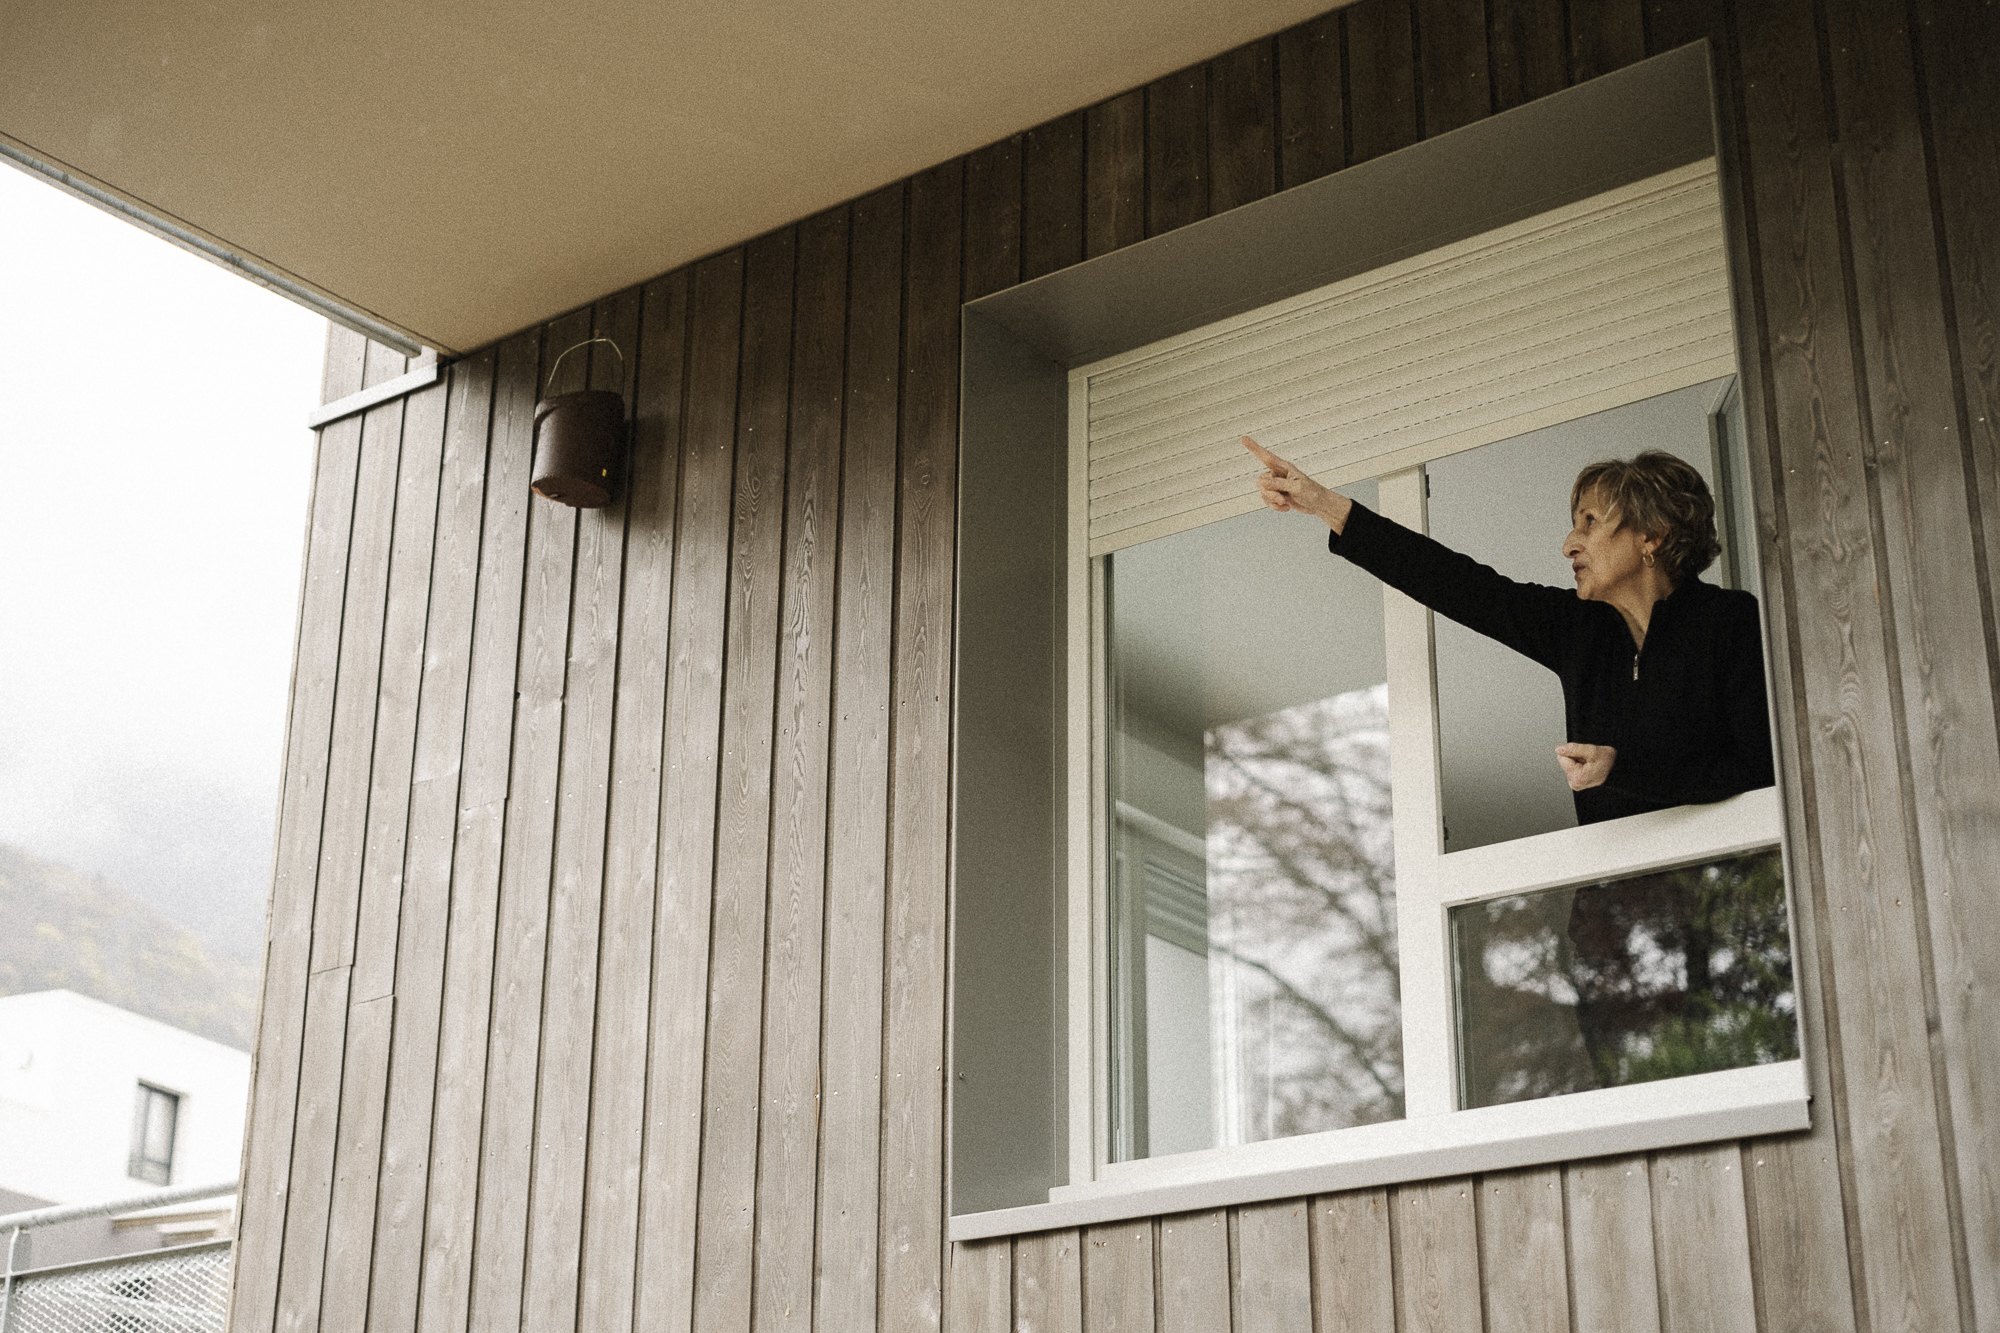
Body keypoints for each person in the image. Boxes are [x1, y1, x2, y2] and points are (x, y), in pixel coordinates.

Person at [1240, 435, 1774, 824]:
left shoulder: (1730, 621)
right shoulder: (1577, 629)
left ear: (1651, 537)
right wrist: (1326, 506)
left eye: (1590, 522)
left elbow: (1759, 769)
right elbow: (1457, 584)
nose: (1569, 543)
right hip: (1617, 910)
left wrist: (1622, 767)